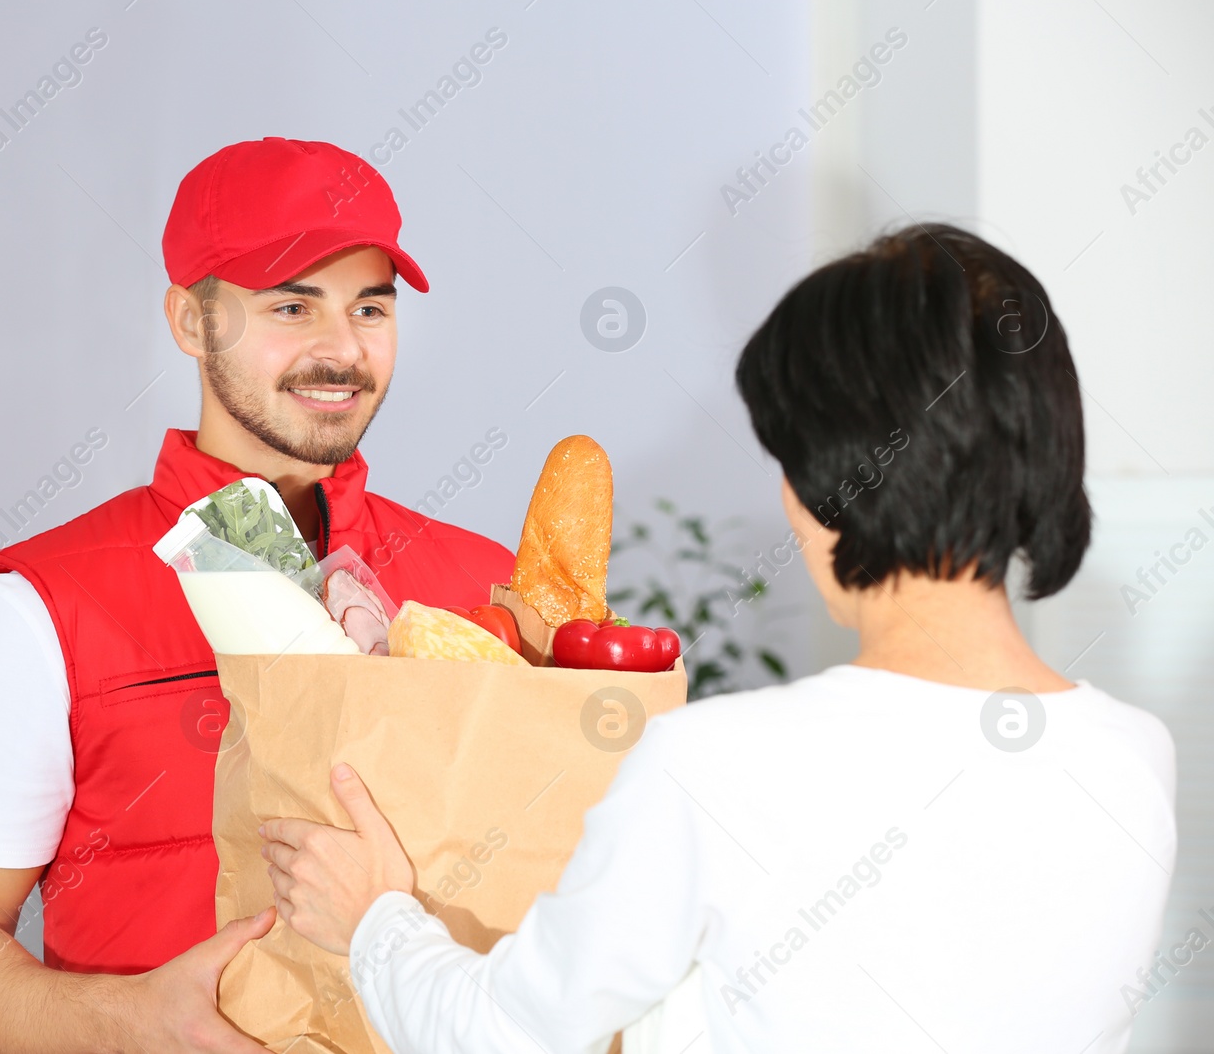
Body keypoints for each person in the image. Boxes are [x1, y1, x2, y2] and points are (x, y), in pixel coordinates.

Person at [260, 225, 1178, 1053]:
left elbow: (507, 1034)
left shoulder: (718, 766)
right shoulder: (1136, 758)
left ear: (825, 482)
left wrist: (376, 914)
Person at [0, 137, 516, 1051]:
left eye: (369, 307)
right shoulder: (45, 610)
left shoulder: (481, 586)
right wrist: (127, 1022)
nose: (342, 349)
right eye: (291, 306)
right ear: (190, 319)